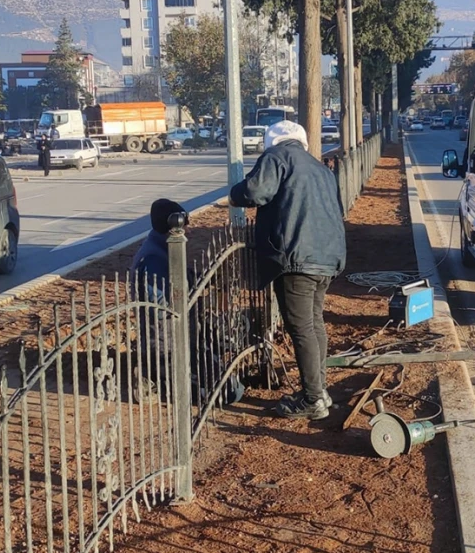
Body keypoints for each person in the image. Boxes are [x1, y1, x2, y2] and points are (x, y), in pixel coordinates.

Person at [229, 120, 347, 420]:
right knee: (314, 324)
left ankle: (312, 399)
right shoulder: (319, 168)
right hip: (326, 258)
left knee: (301, 328)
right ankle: (319, 391)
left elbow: (256, 191)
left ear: (274, 141)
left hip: (296, 258)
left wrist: (234, 195)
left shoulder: (278, 157)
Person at [132, 199, 244, 406]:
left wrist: (206, 279)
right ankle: (157, 379)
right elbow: (159, 307)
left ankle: (175, 379)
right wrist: (192, 293)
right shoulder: (152, 260)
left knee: (233, 389)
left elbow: (182, 278)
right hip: (169, 344)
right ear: (172, 225)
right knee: (227, 393)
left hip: (188, 339)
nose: (189, 230)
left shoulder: (164, 249)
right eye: (185, 224)